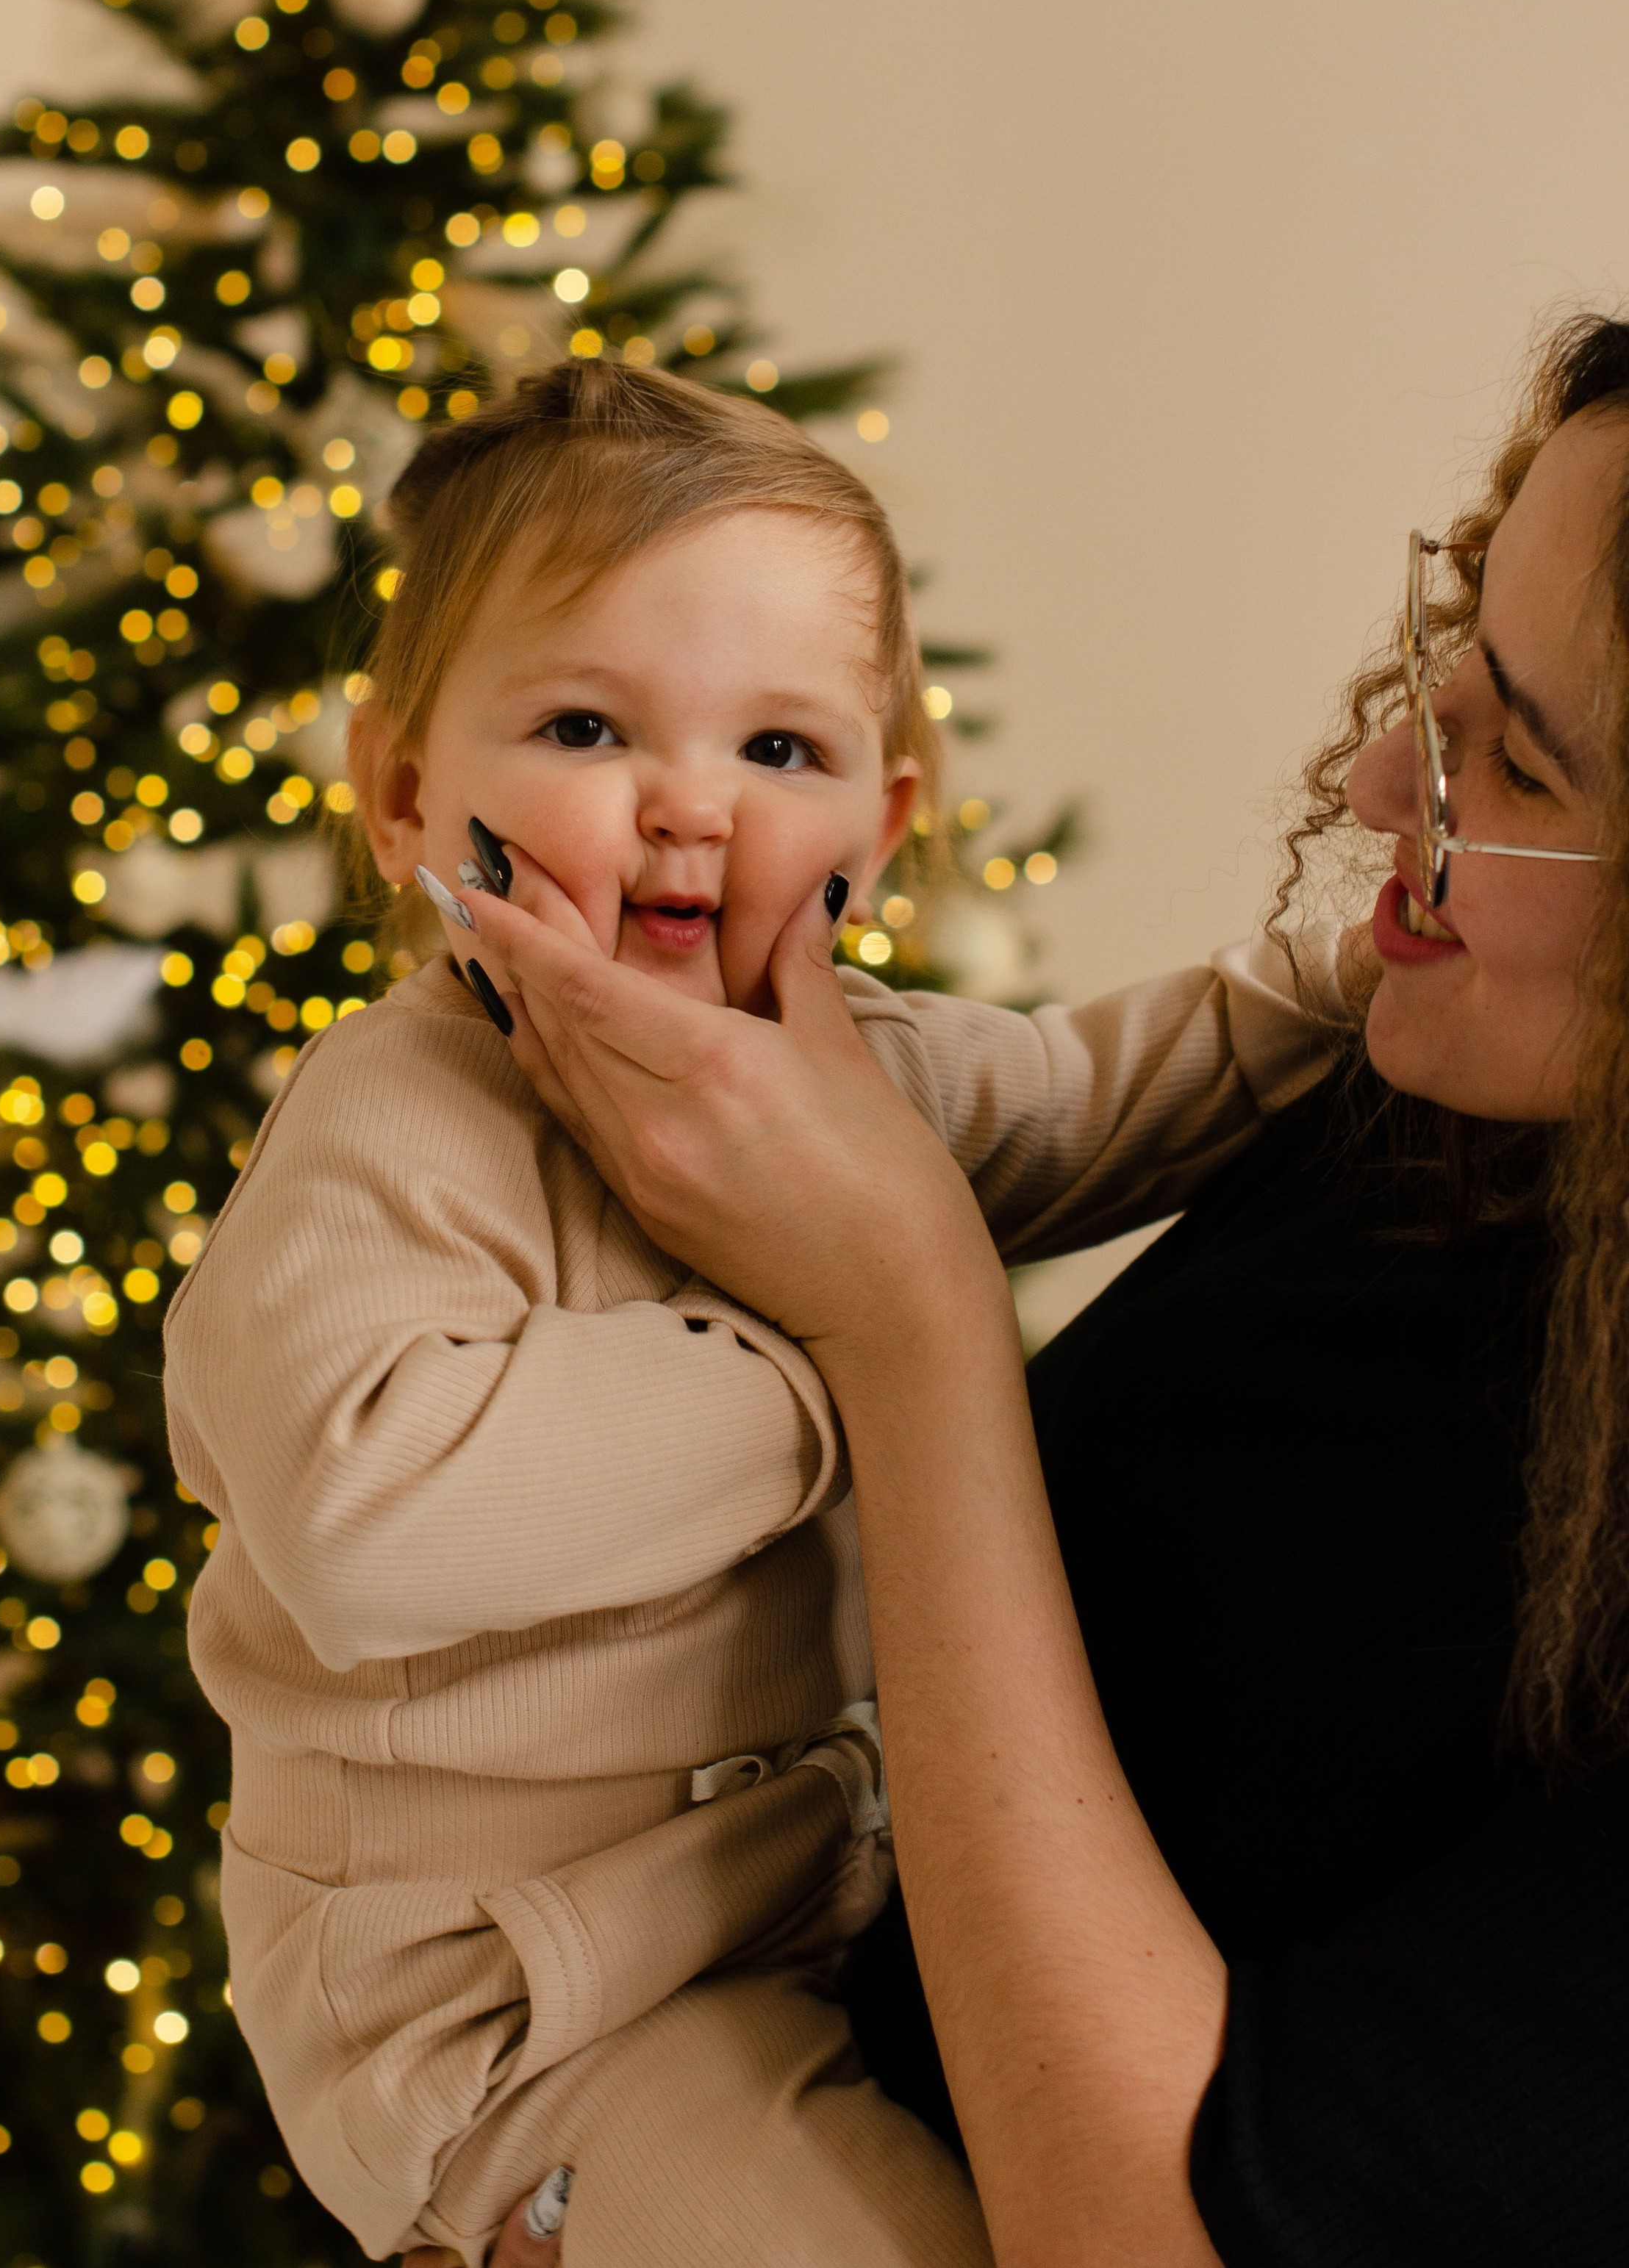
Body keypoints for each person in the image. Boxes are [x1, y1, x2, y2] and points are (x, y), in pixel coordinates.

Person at [459, 315, 1629, 2267]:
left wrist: (914, 1327)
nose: (1376, 779)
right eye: (1449, 660)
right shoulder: (1445, 1110)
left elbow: (1162, 2230)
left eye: (1516, 759)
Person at [161, 362, 1345, 2268]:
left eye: (780, 750)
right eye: (584, 727)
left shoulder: (849, 1074)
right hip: (507, 2013)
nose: (689, 808)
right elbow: (368, 1526)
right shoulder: (394, 1124)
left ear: (888, 819)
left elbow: (1107, 1100)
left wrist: (1355, 978)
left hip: (782, 1916)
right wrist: (852, 1334)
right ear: (402, 794)